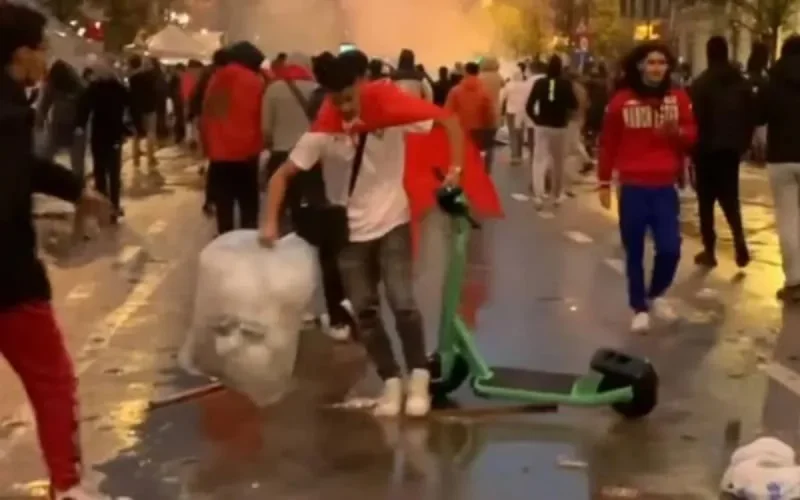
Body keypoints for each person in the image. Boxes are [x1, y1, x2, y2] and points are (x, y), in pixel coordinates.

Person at [261, 53, 502, 417]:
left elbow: (446, 122)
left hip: (393, 223)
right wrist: (269, 223)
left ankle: (419, 377)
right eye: (335, 100)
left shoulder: (389, 113)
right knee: (366, 312)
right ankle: (391, 380)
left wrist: (454, 170)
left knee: (403, 302)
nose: (343, 107)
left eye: (348, 98)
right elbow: (281, 175)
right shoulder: (323, 132)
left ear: (359, 87)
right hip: (350, 235)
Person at [0, 4, 112, 499]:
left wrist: (74, 190)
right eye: (42, 46)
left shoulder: (12, 104)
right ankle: (67, 487)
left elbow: (24, 166)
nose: (47, 56)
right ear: (20, 53)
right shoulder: (7, 110)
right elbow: (9, 185)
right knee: (53, 381)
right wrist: (39, 243)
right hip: (8, 276)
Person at [597, 42, 697, 333]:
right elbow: (609, 143)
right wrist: (603, 182)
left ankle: (655, 294)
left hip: (665, 187)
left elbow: (692, 136)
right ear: (640, 66)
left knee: (670, 249)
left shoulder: (678, 99)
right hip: (632, 187)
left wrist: (675, 132)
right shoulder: (621, 101)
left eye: (662, 63)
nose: (656, 68)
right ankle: (638, 307)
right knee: (635, 250)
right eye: (651, 63)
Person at [689, 36, 754, 269]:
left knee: (705, 201)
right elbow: (750, 116)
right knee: (731, 199)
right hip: (730, 149)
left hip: (706, 149)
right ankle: (739, 240)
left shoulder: (700, 84)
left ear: (708, 54)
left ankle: (710, 250)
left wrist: (692, 148)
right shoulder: (740, 82)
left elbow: (694, 119)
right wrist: (742, 143)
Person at [201, 41, 266, 235]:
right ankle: (247, 243)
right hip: (247, 153)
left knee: (225, 205)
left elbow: (207, 115)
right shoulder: (254, 81)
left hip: (220, 154)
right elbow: (260, 116)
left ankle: (226, 242)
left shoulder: (216, 79)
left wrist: (208, 147)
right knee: (248, 205)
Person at [756, 35, 800, 301]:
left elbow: (759, 119)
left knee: (788, 219)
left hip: (781, 157)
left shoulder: (772, 82)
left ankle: (795, 281)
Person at [76, 60, 130, 225]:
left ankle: (103, 207)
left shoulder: (94, 88)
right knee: (114, 173)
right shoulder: (120, 88)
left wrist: (80, 125)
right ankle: (114, 207)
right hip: (115, 135)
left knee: (100, 172)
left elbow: (83, 107)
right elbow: (130, 106)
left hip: (99, 134)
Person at [526, 55, 577, 208]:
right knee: (558, 161)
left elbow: (529, 105)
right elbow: (574, 104)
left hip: (542, 126)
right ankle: (557, 195)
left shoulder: (539, 83)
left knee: (539, 160)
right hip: (559, 127)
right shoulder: (566, 84)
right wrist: (566, 117)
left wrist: (536, 120)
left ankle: (539, 195)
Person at [35, 59, 86, 179]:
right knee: (77, 160)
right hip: (77, 126)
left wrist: (39, 123)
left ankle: (42, 179)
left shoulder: (53, 85)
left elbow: (44, 105)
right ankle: (79, 183)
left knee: (48, 154)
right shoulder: (80, 86)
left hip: (59, 124)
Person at [445, 62, 495, 172]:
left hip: (461, 131)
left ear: (465, 72)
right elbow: (489, 114)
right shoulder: (485, 91)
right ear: (478, 73)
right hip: (480, 131)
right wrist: (488, 127)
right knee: (481, 157)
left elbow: (447, 112)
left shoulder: (455, 91)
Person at [127, 55, 159, 175]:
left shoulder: (132, 78)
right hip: (150, 107)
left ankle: (136, 158)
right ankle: (151, 157)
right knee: (150, 132)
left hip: (137, 109)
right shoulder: (149, 76)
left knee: (137, 134)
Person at [478, 56, 504, 170]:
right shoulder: (498, 77)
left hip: (480, 112)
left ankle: (478, 164)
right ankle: (488, 168)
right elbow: (503, 85)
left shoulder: (479, 77)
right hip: (494, 112)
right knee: (490, 142)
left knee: (478, 141)